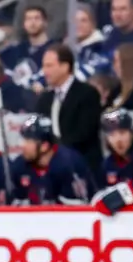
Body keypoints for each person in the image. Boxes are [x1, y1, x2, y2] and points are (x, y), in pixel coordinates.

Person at [36, 45, 103, 176]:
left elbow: (85, 132)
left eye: (49, 66)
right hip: (52, 169)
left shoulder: (87, 93)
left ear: (65, 67)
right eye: (44, 66)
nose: (44, 71)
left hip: (84, 165)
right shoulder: (45, 99)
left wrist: (56, 152)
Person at [10, 115, 95, 205]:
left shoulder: (69, 164)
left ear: (44, 146)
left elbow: (77, 212)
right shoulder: (19, 166)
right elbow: (18, 207)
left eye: (28, 140)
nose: (22, 145)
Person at [0, 6, 54, 89]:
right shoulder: (16, 49)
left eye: (37, 18)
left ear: (45, 22)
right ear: (24, 24)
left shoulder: (55, 49)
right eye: (28, 19)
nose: (32, 22)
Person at [99, 109, 133, 188]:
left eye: (122, 132)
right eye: (112, 134)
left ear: (132, 133)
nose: (118, 140)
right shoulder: (108, 164)